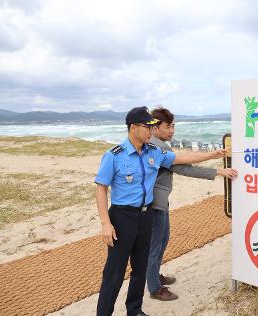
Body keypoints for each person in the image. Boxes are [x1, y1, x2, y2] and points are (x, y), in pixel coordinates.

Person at [94, 106, 231, 316]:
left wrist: (213, 154)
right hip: (123, 217)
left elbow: (182, 159)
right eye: (147, 126)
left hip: (146, 215)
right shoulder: (114, 155)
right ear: (133, 128)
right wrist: (106, 223)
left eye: (152, 126)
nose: (151, 130)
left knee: (140, 269)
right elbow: (101, 188)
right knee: (114, 272)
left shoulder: (154, 152)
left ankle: (135, 310)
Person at [146, 106, 237, 301]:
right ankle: (154, 288)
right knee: (156, 244)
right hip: (154, 204)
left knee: (161, 241)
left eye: (173, 126)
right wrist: (216, 164)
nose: (172, 131)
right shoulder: (156, 147)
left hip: (159, 201)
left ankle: (154, 276)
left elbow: (182, 166)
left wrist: (216, 169)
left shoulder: (157, 144)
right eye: (168, 127)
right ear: (154, 128)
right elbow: (184, 166)